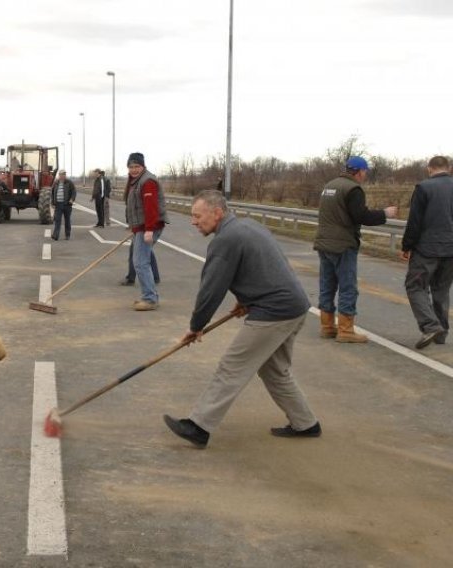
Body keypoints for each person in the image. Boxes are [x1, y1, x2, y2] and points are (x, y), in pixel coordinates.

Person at [164, 190, 320, 449]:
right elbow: (265, 267)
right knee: (274, 371)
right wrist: (247, 300)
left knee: (232, 367)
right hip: (294, 305)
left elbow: (211, 290)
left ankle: (198, 426)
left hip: (274, 311)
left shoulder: (225, 240)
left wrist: (196, 327)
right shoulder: (247, 226)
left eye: (197, 216)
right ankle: (306, 423)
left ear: (217, 212)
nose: (193, 221)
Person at [313, 156, 398, 343]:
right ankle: (345, 330)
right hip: (343, 245)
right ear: (360, 171)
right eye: (365, 172)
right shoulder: (353, 189)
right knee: (347, 287)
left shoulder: (330, 185)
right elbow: (362, 216)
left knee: (327, 286)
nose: (365, 175)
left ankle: (327, 327)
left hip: (324, 243)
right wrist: (385, 213)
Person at [400, 155, 453, 349]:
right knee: (441, 290)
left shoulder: (424, 188)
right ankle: (441, 334)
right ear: (448, 168)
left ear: (429, 168)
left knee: (415, 286)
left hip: (427, 249)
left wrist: (407, 246)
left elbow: (415, 222)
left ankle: (430, 326)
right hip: (451, 250)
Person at [124, 152, 167, 311]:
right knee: (140, 261)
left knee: (141, 262)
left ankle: (149, 299)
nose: (134, 169)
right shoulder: (136, 180)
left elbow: (151, 209)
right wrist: (135, 228)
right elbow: (135, 208)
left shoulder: (147, 181)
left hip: (149, 226)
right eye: (131, 166)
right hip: (141, 227)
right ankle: (148, 296)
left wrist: (148, 229)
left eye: (137, 166)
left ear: (143, 166)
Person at [51, 169, 76, 241]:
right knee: (57, 220)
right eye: (62, 174)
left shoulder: (69, 182)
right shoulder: (56, 183)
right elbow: (52, 193)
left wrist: (72, 199)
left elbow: (74, 191)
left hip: (67, 205)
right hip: (58, 205)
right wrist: (52, 202)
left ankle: (67, 235)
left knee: (67, 220)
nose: (63, 176)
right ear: (59, 175)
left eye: (64, 174)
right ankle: (55, 235)